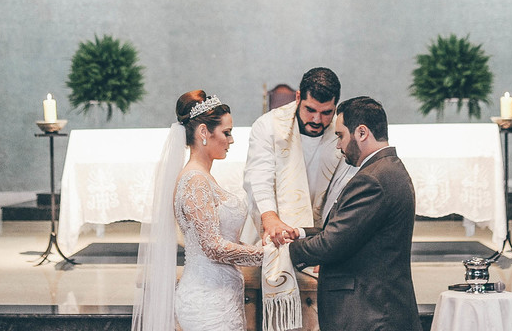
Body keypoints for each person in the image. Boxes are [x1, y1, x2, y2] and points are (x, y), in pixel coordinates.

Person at [283, 96, 422, 331]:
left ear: (362, 132)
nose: (338, 145)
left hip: (371, 314)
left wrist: (285, 250)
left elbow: (331, 244)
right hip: (380, 310)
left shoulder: (373, 179)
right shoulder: (388, 168)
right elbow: (347, 229)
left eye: (340, 135)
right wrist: (299, 232)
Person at [132, 90, 263, 331]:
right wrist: (266, 255)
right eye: (227, 132)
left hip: (220, 298)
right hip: (207, 302)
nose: (231, 140)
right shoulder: (195, 181)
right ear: (204, 132)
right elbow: (213, 247)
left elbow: (220, 238)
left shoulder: (203, 177)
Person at [243, 67, 356, 247]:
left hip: (323, 236)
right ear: (298, 98)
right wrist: (270, 218)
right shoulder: (268, 126)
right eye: (310, 109)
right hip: (274, 226)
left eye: (326, 112)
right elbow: (258, 178)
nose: (317, 119)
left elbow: (345, 185)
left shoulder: (343, 132)